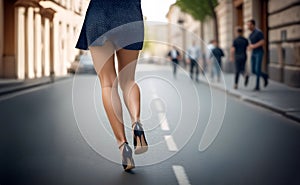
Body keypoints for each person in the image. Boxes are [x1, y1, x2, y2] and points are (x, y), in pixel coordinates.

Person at [75, 0, 148, 171]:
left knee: (108, 84)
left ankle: (123, 146)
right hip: (130, 16)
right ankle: (137, 123)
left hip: (99, 15)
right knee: (128, 79)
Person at [247, 19, 269, 91]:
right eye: (247, 25)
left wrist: (253, 46)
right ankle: (265, 76)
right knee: (253, 70)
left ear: (253, 25)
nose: (248, 26)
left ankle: (257, 86)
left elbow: (262, 42)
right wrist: (249, 47)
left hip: (259, 52)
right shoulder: (250, 34)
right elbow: (250, 44)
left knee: (257, 69)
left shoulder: (258, 32)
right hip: (253, 53)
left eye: (249, 25)